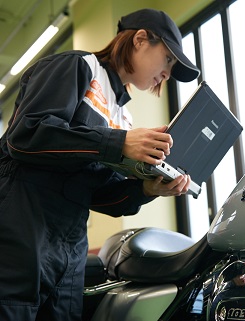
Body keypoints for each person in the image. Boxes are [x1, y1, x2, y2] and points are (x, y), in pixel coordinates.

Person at [0, 8, 200, 321]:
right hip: (23, 226)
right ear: (139, 40)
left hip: (70, 245)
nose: (167, 73)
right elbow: (25, 136)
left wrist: (147, 189)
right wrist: (119, 143)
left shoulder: (122, 117)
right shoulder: (79, 66)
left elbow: (98, 195)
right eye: (168, 59)